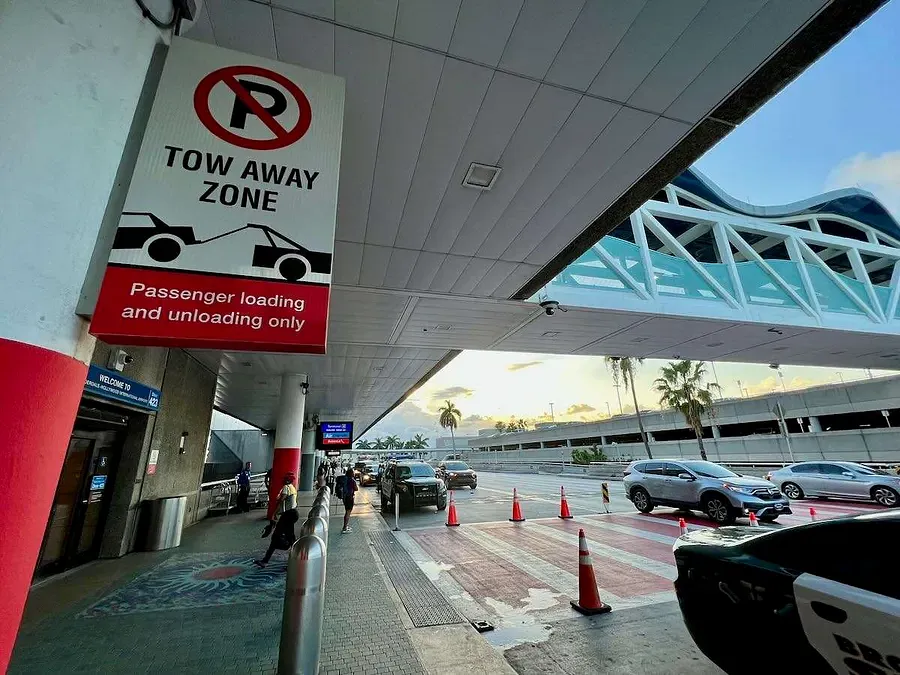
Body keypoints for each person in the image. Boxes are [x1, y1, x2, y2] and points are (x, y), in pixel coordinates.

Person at [262, 472, 297, 537]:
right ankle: (292, 543)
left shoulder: (286, 487)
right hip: (294, 512)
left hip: (288, 513)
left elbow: (281, 501)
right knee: (289, 530)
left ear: (287, 480)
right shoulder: (292, 487)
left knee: (280, 529)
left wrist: (274, 513)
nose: (283, 480)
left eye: (285, 479)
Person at [340, 466, 358, 533]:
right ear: (351, 474)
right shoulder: (352, 480)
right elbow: (356, 489)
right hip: (350, 497)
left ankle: (345, 526)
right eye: (353, 472)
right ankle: (344, 528)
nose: (354, 473)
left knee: (346, 511)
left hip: (345, 497)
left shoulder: (345, 479)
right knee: (348, 512)